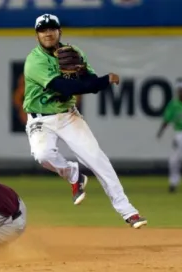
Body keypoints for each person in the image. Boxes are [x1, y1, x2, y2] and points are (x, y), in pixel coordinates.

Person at [22, 13, 147, 229]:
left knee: (97, 160)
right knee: (43, 155)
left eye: (52, 28)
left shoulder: (73, 52)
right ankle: (73, 173)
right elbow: (67, 88)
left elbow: (89, 82)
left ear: (60, 31)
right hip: (39, 119)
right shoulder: (35, 61)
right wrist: (105, 80)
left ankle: (129, 212)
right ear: (37, 36)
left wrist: (95, 80)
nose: (48, 33)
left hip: (68, 115)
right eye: (43, 30)